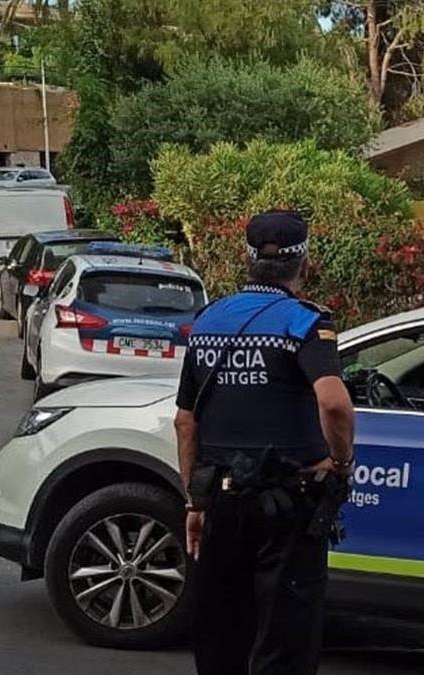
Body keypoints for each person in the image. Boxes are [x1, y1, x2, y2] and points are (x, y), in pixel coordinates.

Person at [174, 210, 356, 675]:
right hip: (286, 506)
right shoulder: (306, 323)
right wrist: (340, 462)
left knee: (220, 634)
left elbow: (185, 422)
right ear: (306, 262)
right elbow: (334, 404)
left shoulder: (209, 320)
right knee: (284, 639)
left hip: (218, 501)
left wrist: (195, 502)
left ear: (247, 258)